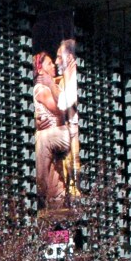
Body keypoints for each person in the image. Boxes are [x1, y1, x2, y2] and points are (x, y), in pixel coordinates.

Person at [33, 52, 69, 211]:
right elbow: (60, 108)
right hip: (58, 134)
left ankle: (42, 193)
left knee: (43, 139)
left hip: (63, 133)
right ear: (40, 70)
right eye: (49, 64)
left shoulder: (51, 86)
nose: (53, 65)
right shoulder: (41, 89)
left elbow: (64, 109)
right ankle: (54, 201)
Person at [55, 39, 80, 200]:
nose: (57, 61)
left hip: (73, 131)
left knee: (72, 166)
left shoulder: (74, 79)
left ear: (69, 57)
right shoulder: (63, 80)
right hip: (64, 131)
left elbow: (64, 103)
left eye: (59, 57)